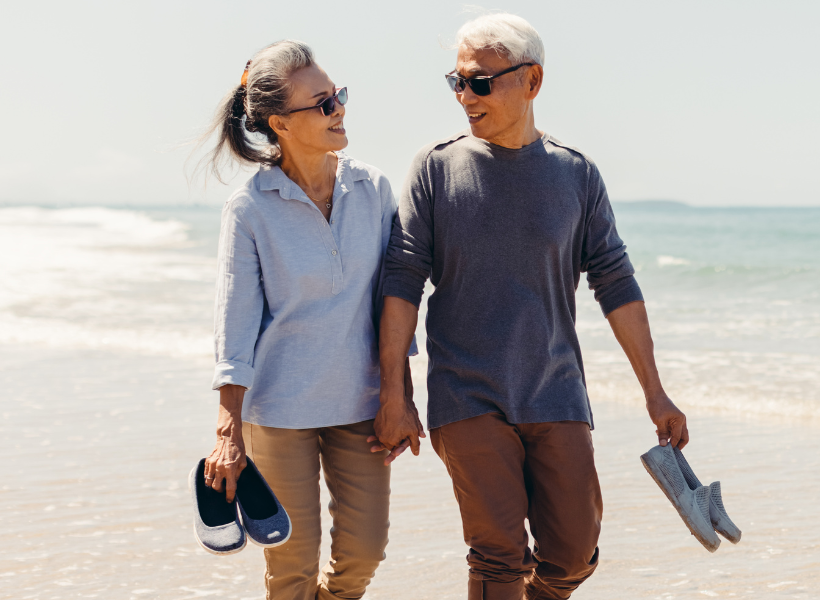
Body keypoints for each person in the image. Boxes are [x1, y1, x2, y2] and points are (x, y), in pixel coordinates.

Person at [372, 13, 690, 600]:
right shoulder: (436, 168)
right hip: (465, 393)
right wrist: (395, 392)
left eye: (480, 82)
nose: (465, 96)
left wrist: (655, 391)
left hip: (556, 391)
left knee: (573, 554)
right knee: (498, 556)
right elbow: (403, 280)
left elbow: (615, 281)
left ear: (532, 80)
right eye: (457, 82)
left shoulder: (576, 174)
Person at [200, 40, 413, 600]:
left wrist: (400, 395)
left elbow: (394, 300)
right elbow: (234, 324)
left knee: (365, 553)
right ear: (281, 124)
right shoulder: (250, 208)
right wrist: (227, 433)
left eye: (337, 95)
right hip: (278, 412)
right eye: (322, 104)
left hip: (361, 405)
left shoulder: (373, 188)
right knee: (291, 568)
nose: (338, 109)